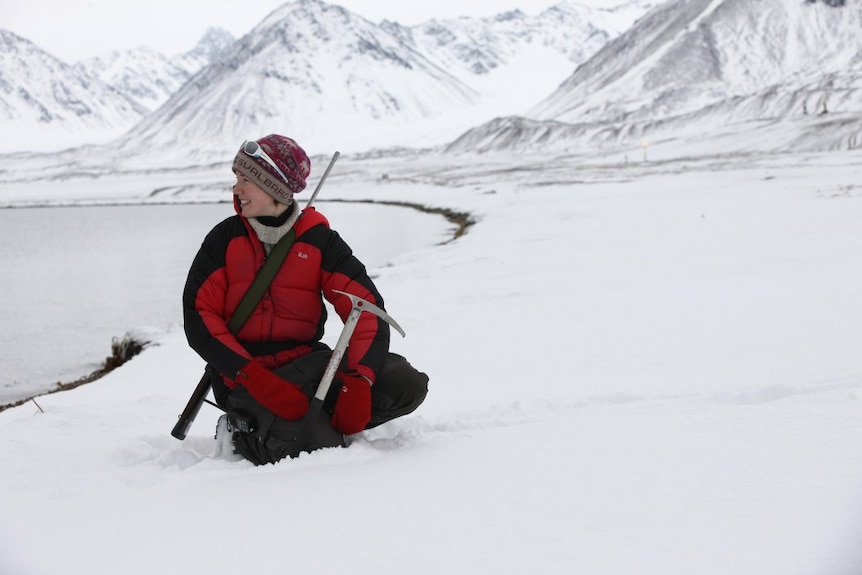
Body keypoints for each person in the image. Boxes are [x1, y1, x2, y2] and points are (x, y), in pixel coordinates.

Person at [182, 134, 428, 465]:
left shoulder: (319, 241)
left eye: (245, 180)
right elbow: (200, 317)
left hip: (310, 364)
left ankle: (314, 417)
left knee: (404, 383)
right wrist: (253, 377)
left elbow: (366, 309)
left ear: (275, 188)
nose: (236, 189)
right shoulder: (223, 241)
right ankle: (244, 431)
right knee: (316, 448)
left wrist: (359, 381)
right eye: (236, 179)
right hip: (243, 377)